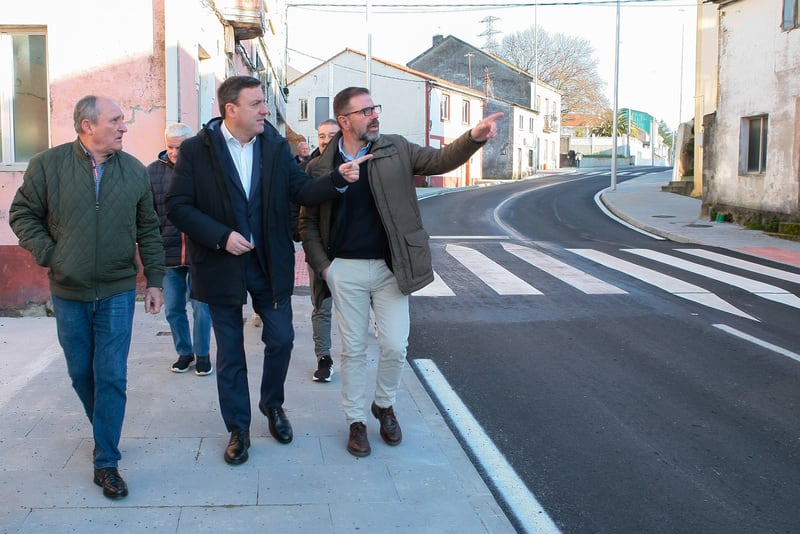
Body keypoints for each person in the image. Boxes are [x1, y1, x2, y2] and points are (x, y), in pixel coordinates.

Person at [166, 76, 367, 466]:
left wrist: (337, 180)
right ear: (231, 110)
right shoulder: (196, 151)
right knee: (230, 352)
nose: (264, 110)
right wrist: (221, 236)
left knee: (281, 338)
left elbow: (301, 192)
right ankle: (238, 428)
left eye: (263, 103)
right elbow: (178, 206)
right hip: (220, 264)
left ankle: (272, 405)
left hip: (267, 264)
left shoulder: (275, 146)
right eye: (256, 103)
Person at [300, 87, 502, 457]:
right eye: (364, 111)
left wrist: (473, 138)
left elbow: (440, 159)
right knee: (355, 350)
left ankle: (384, 404)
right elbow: (308, 223)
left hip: (392, 267)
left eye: (375, 107)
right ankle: (356, 421)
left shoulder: (396, 149)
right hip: (345, 270)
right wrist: (326, 269)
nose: (374, 115)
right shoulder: (319, 167)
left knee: (395, 345)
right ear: (344, 121)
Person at [9, 95, 165, 499]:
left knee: (112, 373)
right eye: (115, 120)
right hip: (69, 290)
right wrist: (51, 254)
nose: (124, 127)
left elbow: (148, 228)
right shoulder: (48, 165)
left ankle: (106, 461)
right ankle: (104, 429)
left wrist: (155, 281)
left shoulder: (134, 171)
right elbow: (22, 214)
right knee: (82, 372)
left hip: (116, 289)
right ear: (87, 126)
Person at [148, 123, 213, 376]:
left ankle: (203, 355)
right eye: (170, 147)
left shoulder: (207, 170)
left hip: (200, 253)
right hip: (169, 254)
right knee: (173, 308)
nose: (175, 152)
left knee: (201, 307)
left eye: (181, 147)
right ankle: (184, 352)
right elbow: (147, 217)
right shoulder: (152, 173)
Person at [304, 119, 340, 382]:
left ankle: (353, 353)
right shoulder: (310, 169)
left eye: (331, 135)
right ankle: (323, 358)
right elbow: (302, 209)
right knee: (322, 305)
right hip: (319, 248)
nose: (325, 140)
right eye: (321, 136)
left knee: (355, 306)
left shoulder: (355, 162)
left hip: (351, 249)